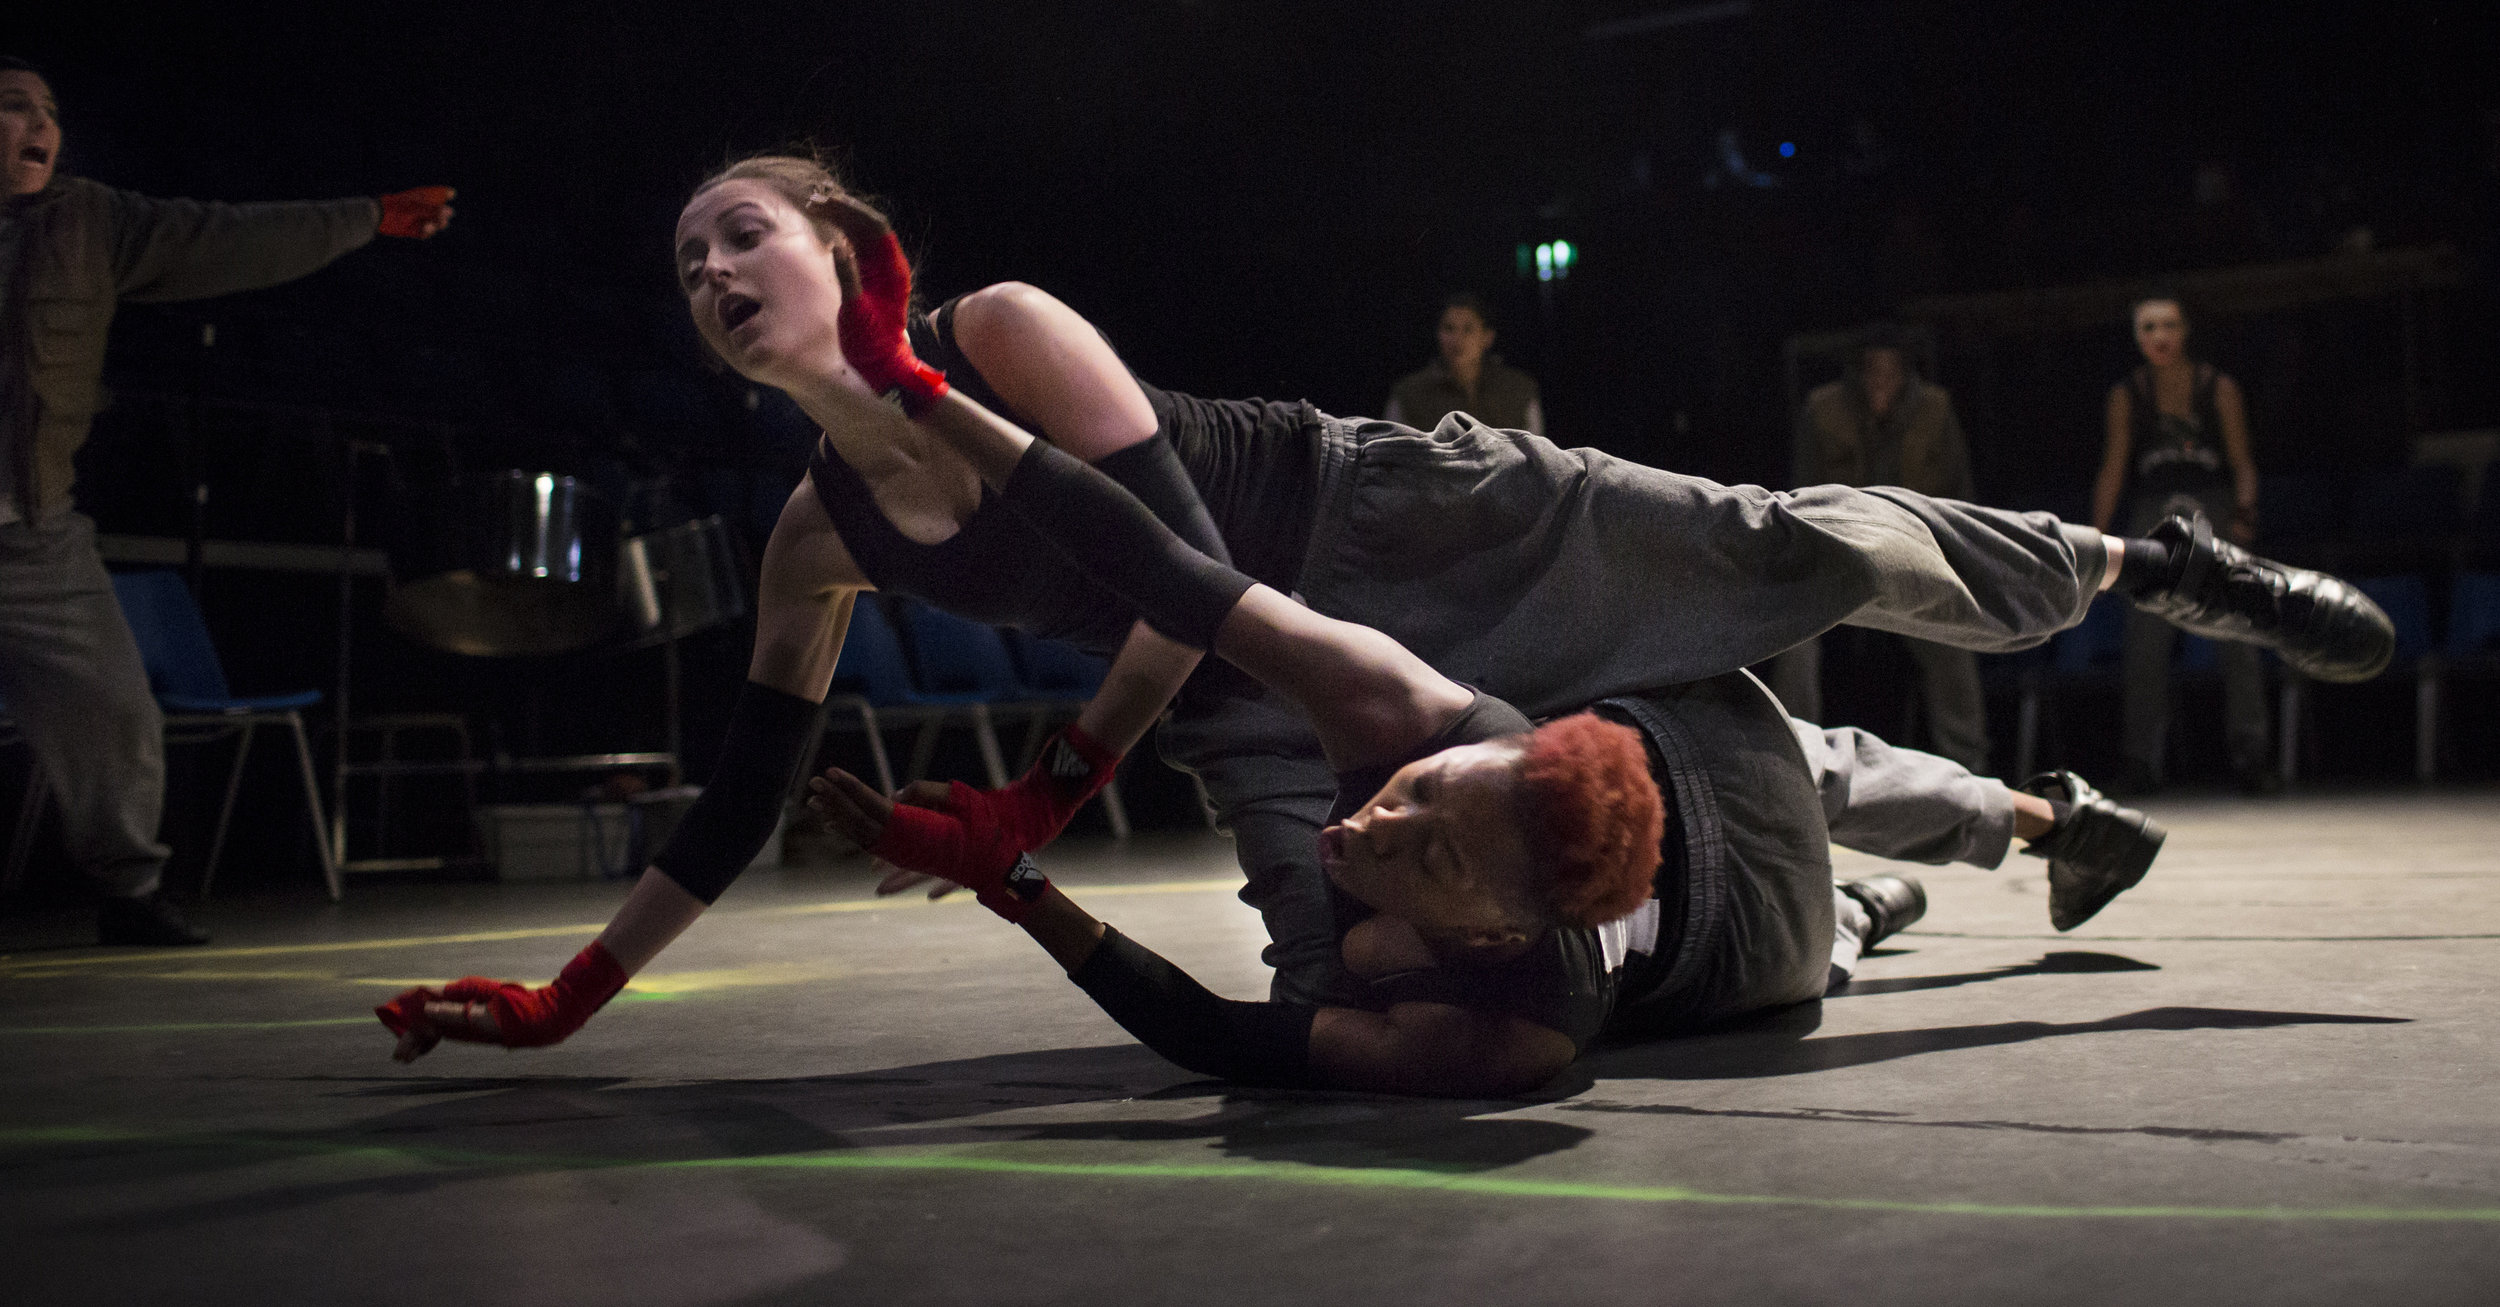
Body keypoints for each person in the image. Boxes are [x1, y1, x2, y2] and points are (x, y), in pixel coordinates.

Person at [375, 159, 2387, 1063]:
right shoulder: (818, 534)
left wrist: (1053, 785)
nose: (712, 262)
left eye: (745, 223)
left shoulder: (995, 328)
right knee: (1352, 998)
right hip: (1252, 692)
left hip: (1396, 523)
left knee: (1792, 552)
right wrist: (575, 987)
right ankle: (1818, 902)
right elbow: (740, 794)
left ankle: (2150, 567)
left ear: (846, 244)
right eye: (685, 258)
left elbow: (1174, 566)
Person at [0, 58, 455, 945]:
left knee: (113, 710)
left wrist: (364, 218)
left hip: (35, 536)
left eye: (49, 110)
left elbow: (227, 237)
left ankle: (129, 891)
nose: (41, 124)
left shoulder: (91, 221)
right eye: (15, 107)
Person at [1770, 329, 1991, 773]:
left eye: (1890, 368)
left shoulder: (1933, 408)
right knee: (1790, 633)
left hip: (1912, 548)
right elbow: (1798, 488)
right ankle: (1795, 763)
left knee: (1950, 631)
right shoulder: (1825, 407)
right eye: (1872, 367)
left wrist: (1956, 554)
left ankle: (1969, 764)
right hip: (1839, 548)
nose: (1881, 379)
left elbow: (1959, 491)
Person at [2090, 294, 2270, 792]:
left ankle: (2251, 755)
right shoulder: (2129, 393)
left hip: (2212, 508)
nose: (2159, 337)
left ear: (2186, 330)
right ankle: (2140, 760)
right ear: (2137, 337)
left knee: (2236, 632)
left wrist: (2244, 516)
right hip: (2153, 516)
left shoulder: (2218, 387)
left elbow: (2243, 463)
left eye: (2168, 325)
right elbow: (2114, 467)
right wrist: (2095, 539)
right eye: (2148, 328)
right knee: (2145, 640)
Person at [1383, 291, 1543, 434]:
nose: (1457, 340)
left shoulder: (1518, 389)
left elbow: (1536, 455)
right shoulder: (1409, 393)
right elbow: (1394, 453)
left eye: (1468, 329)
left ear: (1487, 337)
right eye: (1449, 328)